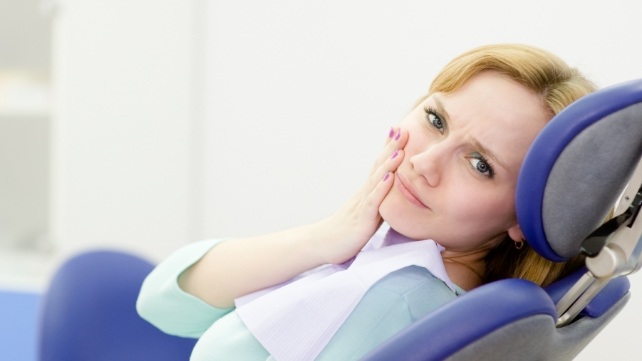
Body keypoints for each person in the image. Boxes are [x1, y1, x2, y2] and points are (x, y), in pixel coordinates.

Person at [137, 43, 596, 360]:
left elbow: (165, 310)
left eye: (480, 164)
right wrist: (330, 236)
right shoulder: (400, 253)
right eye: (436, 119)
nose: (425, 163)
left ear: (525, 217)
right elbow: (163, 302)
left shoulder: (399, 300)